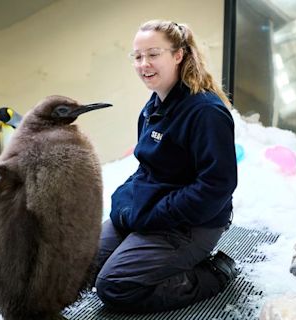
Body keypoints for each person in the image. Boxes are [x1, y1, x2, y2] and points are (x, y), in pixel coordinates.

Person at [94, 20, 238, 313]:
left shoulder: (206, 112)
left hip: (194, 222)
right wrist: (124, 202)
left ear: (178, 55)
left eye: (153, 54)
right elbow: (146, 168)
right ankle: (149, 254)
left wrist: (154, 215)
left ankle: (214, 273)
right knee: (79, 263)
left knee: (115, 286)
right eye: (137, 56)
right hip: (155, 212)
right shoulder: (153, 107)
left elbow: (216, 187)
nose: (143, 63)